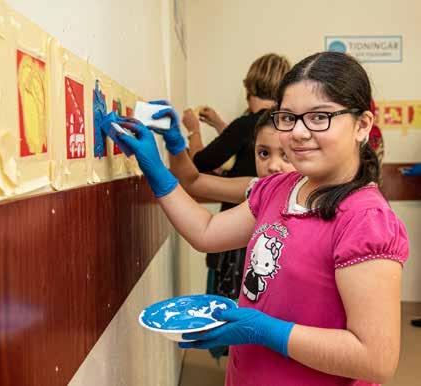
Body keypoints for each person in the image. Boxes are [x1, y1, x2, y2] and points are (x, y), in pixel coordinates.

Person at [110, 51, 409, 385]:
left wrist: (265, 331)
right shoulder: (279, 188)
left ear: (362, 125)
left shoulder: (365, 219)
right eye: (288, 117)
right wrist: (156, 172)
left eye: (319, 117)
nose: (298, 132)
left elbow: (375, 359)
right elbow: (207, 231)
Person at [181, 54, 291, 335]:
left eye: (286, 156)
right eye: (263, 153)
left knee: (238, 314)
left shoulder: (247, 127)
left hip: (240, 240)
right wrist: (221, 124)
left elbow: (199, 166)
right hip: (260, 237)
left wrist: (193, 131)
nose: (274, 167)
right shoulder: (282, 131)